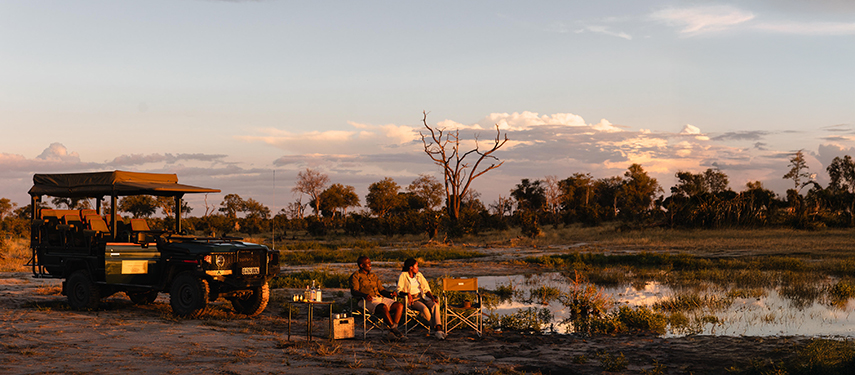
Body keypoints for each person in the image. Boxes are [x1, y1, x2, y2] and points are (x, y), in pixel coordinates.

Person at [349, 255, 404, 338]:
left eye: (370, 262)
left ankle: (393, 330)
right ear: (361, 265)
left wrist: (390, 294)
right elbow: (354, 291)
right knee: (383, 307)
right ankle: (395, 331)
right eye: (368, 263)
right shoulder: (355, 276)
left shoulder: (373, 276)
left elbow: (381, 289)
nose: (370, 264)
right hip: (366, 300)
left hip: (379, 298)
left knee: (399, 305)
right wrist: (365, 295)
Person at [397, 257, 446, 339]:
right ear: (411, 267)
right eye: (416, 266)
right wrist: (407, 294)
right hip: (412, 300)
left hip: (423, 296)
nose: (418, 268)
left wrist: (432, 297)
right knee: (424, 309)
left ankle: (438, 329)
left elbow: (426, 288)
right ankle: (436, 329)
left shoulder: (419, 275)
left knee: (435, 305)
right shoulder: (403, 275)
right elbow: (399, 290)